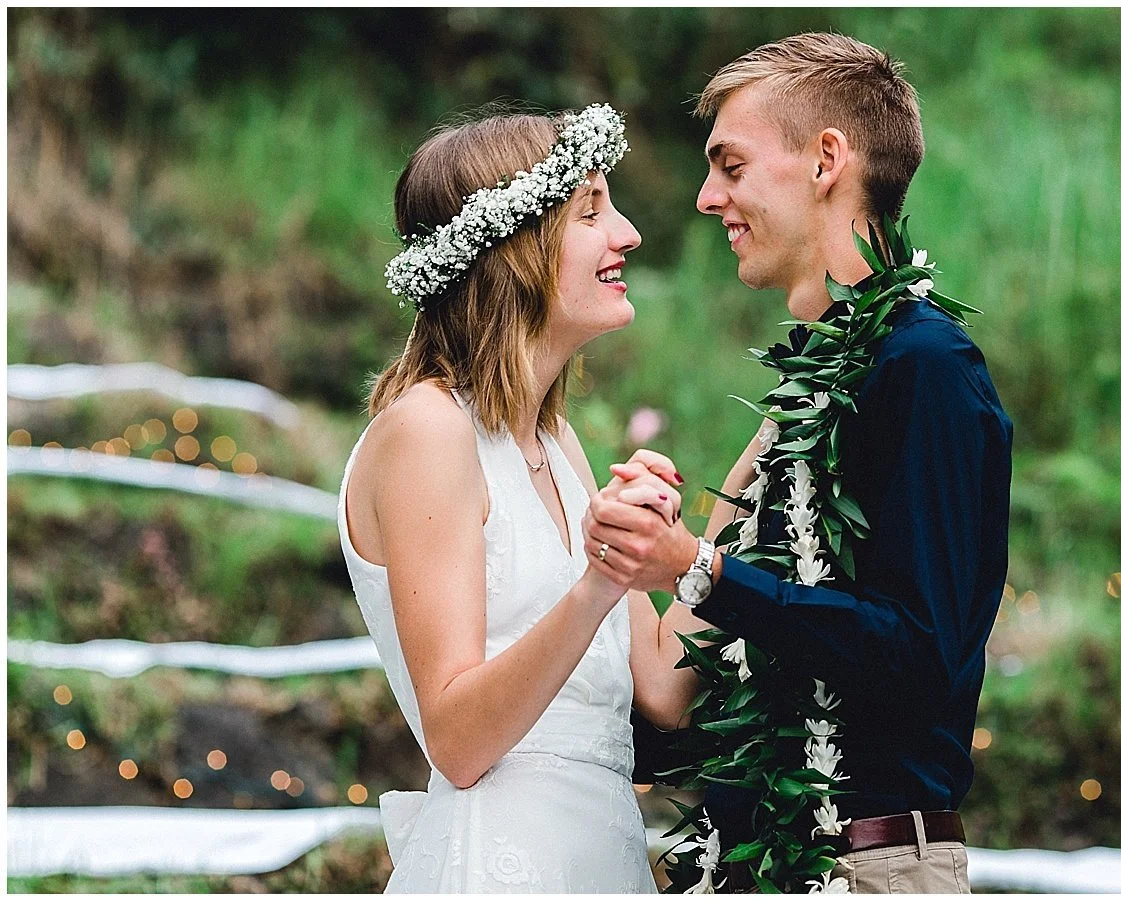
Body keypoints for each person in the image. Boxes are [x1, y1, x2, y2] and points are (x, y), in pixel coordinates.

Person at [582, 34, 1013, 893]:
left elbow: (922, 658)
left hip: (868, 865)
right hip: (761, 863)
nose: (708, 198)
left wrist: (697, 568)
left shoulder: (927, 369)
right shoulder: (798, 407)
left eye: (731, 166)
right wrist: (630, 552)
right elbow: (684, 686)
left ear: (826, 161)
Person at [336, 104, 705, 892]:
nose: (628, 233)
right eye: (592, 211)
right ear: (514, 250)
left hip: (601, 859)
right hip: (502, 866)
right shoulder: (429, 430)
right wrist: (599, 582)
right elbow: (458, 739)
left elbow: (667, 686)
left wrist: (770, 448)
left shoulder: (556, 439)